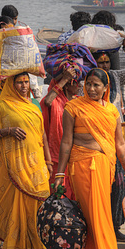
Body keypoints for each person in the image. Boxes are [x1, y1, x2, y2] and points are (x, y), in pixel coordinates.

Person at [53, 68, 125, 249]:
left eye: (97, 85)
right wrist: (60, 173)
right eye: (88, 84)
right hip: (82, 167)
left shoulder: (112, 111)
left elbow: (119, 144)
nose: (91, 89)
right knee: (99, 218)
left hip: (105, 168)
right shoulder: (73, 107)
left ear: (106, 88)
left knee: (93, 217)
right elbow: (66, 142)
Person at [0, 72, 57, 249]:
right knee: (7, 201)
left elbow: (42, 135)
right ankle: (4, 240)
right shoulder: (2, 106)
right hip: (11, 163)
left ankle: (39, 245)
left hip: (36, 162)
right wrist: (7, 131)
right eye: (19, 83)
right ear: (11, 85)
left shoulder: (33, 105)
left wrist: (48, 162)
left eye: (26, 82)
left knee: (38, 201)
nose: (24, 86)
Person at [93, 36, 125, 242]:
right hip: (96, 144)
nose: (104, 65)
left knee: (120, 185)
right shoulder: (89, 81)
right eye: (100, 62)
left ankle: (114, 226)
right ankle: (99, 228)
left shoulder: (114, 77)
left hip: (116, 141)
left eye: (106, 61)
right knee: (101, 188)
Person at [40, 63, 81, 198]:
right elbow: (47, 101)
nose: (79, 86)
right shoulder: (56, 101)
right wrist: (64, 79)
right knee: (58, 191)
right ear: (67, 85)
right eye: (76, 83)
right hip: (57, 154)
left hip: (75, 153)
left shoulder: (78, 101)